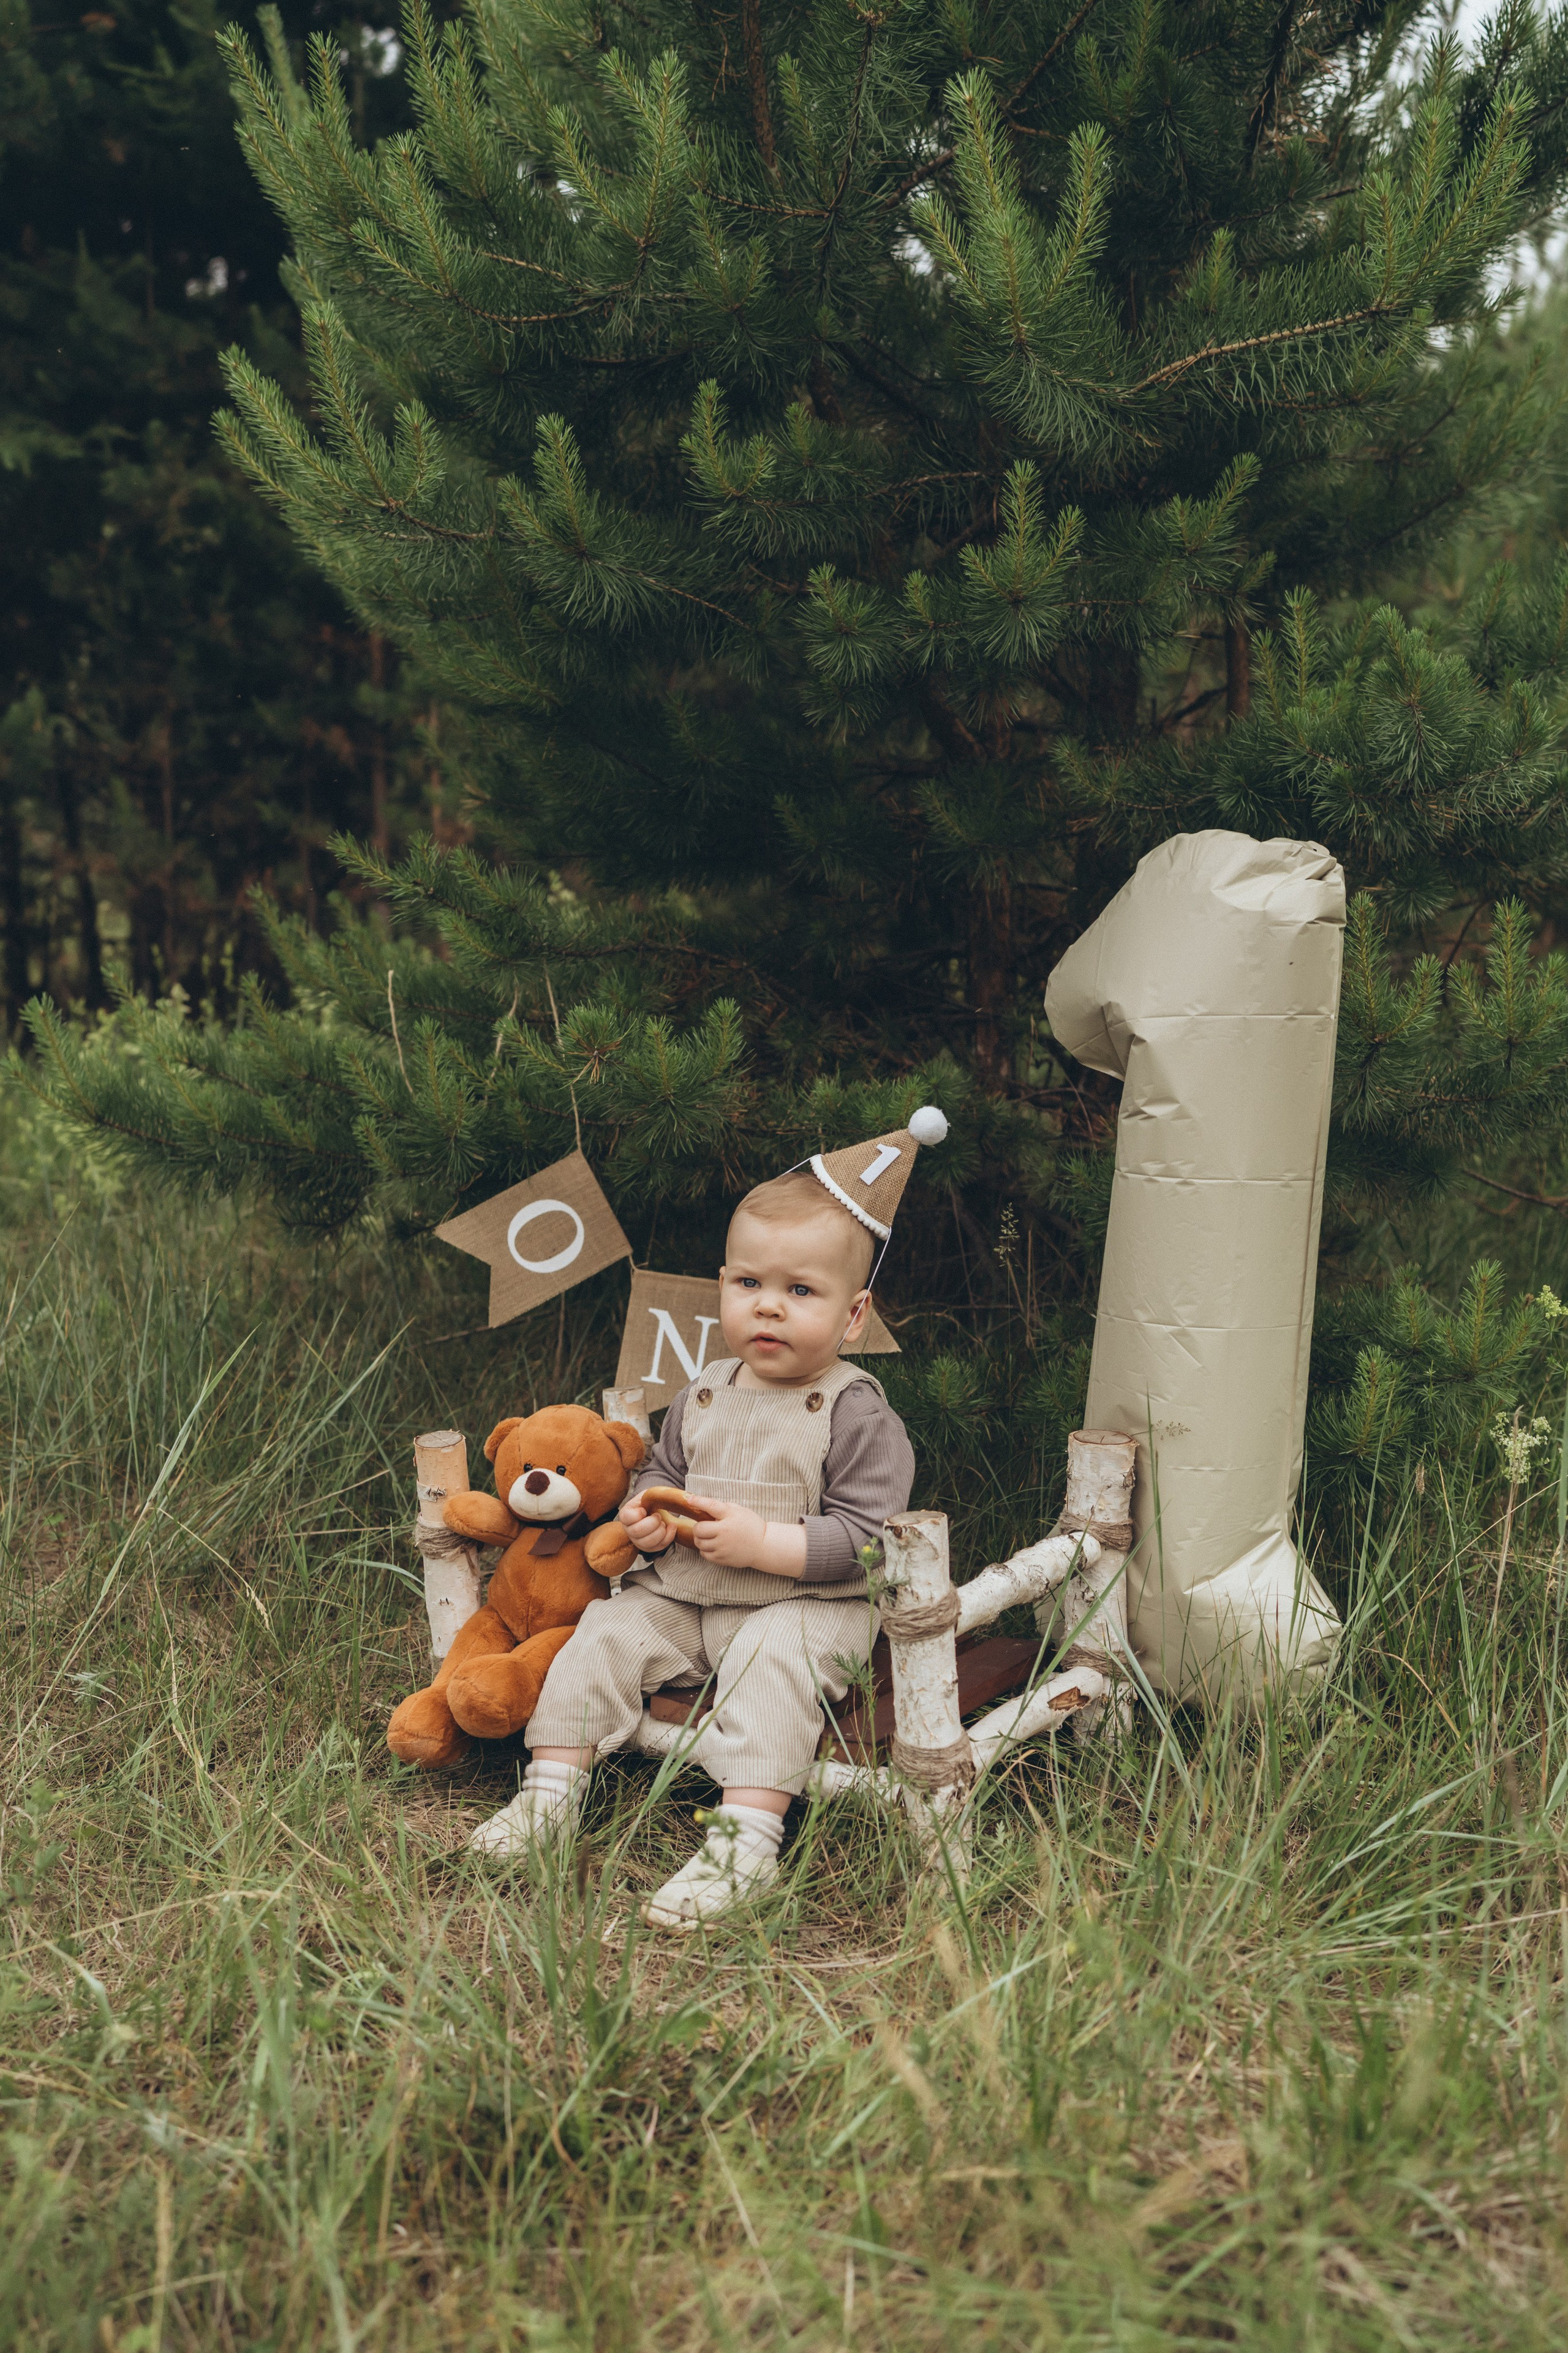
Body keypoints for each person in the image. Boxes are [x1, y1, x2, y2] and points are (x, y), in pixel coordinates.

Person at [469, 1108, 948, 1928]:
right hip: (690, 1594)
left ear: (854, 1314)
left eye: (801, 1291)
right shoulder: (706, 1389)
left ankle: (744, 1842)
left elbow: (871, 1541)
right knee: (606, 1632)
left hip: (810, 1605)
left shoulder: (857, 1411)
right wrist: (647, 1518)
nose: (769, 1308)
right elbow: (664, 1472)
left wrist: (765, 1543)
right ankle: (548, 1793)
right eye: (748, 1284)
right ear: (722, 1283)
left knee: (772, 1661)